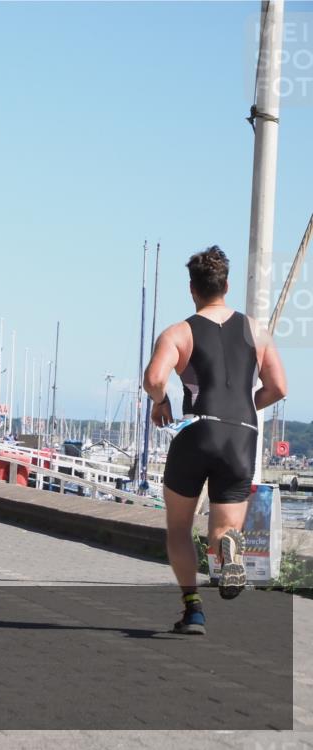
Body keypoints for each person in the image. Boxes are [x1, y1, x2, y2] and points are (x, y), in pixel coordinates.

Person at [144, 246, 286, 635]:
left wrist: (162, 402)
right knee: (222, 529)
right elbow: (278, 387)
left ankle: (193, 609)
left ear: (193, 289)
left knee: (178, 527)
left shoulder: (179, 332)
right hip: (240, 436)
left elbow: (155, 379)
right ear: (226, 285)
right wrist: (245, 407)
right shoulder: (256, 331)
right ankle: (229, 549)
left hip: (197, 429)